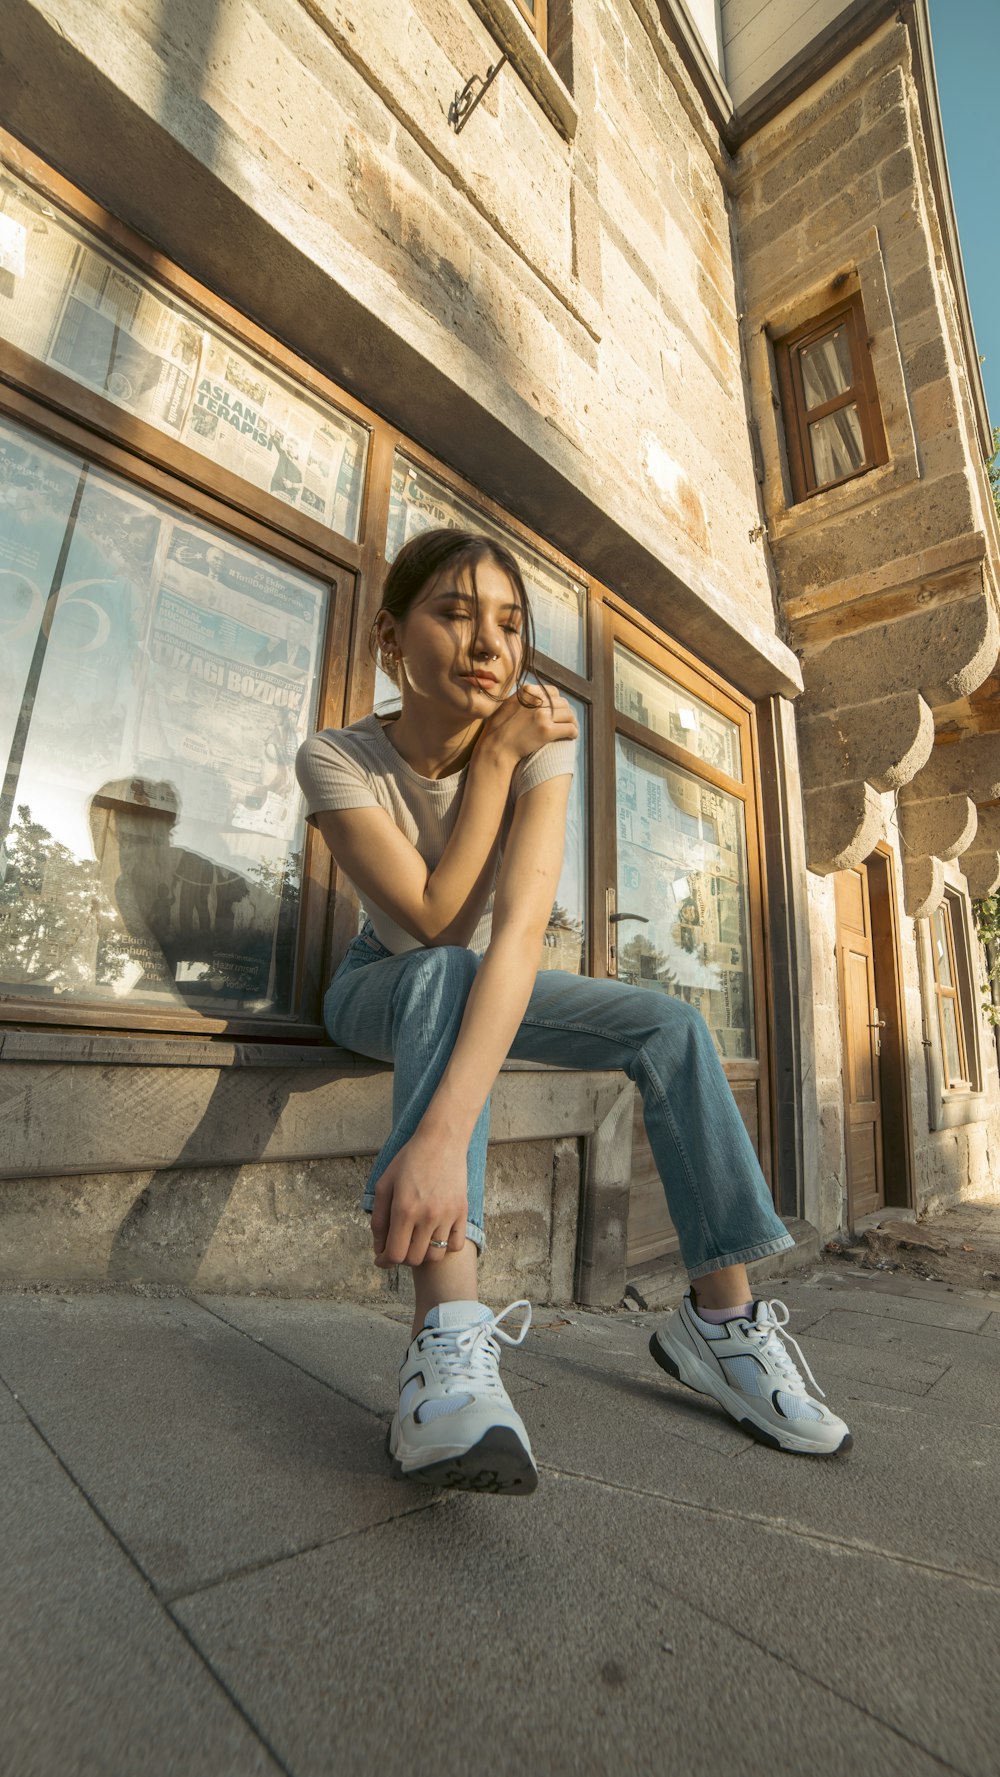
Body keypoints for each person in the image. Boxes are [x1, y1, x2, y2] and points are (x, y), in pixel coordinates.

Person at [295, 528, 851, 1496]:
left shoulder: (540, 739)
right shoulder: (336, 759)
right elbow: (432, 921)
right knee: (438, 976)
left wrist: (513, 759)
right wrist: (494, 768)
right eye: (454, 613)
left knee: (669, 1027)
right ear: (391, 638)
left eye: (509, 625)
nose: (487, 645)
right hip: (381, 980)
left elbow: (514, 936)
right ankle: (447, 1344)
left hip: (483, 973)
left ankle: (721, 1327)